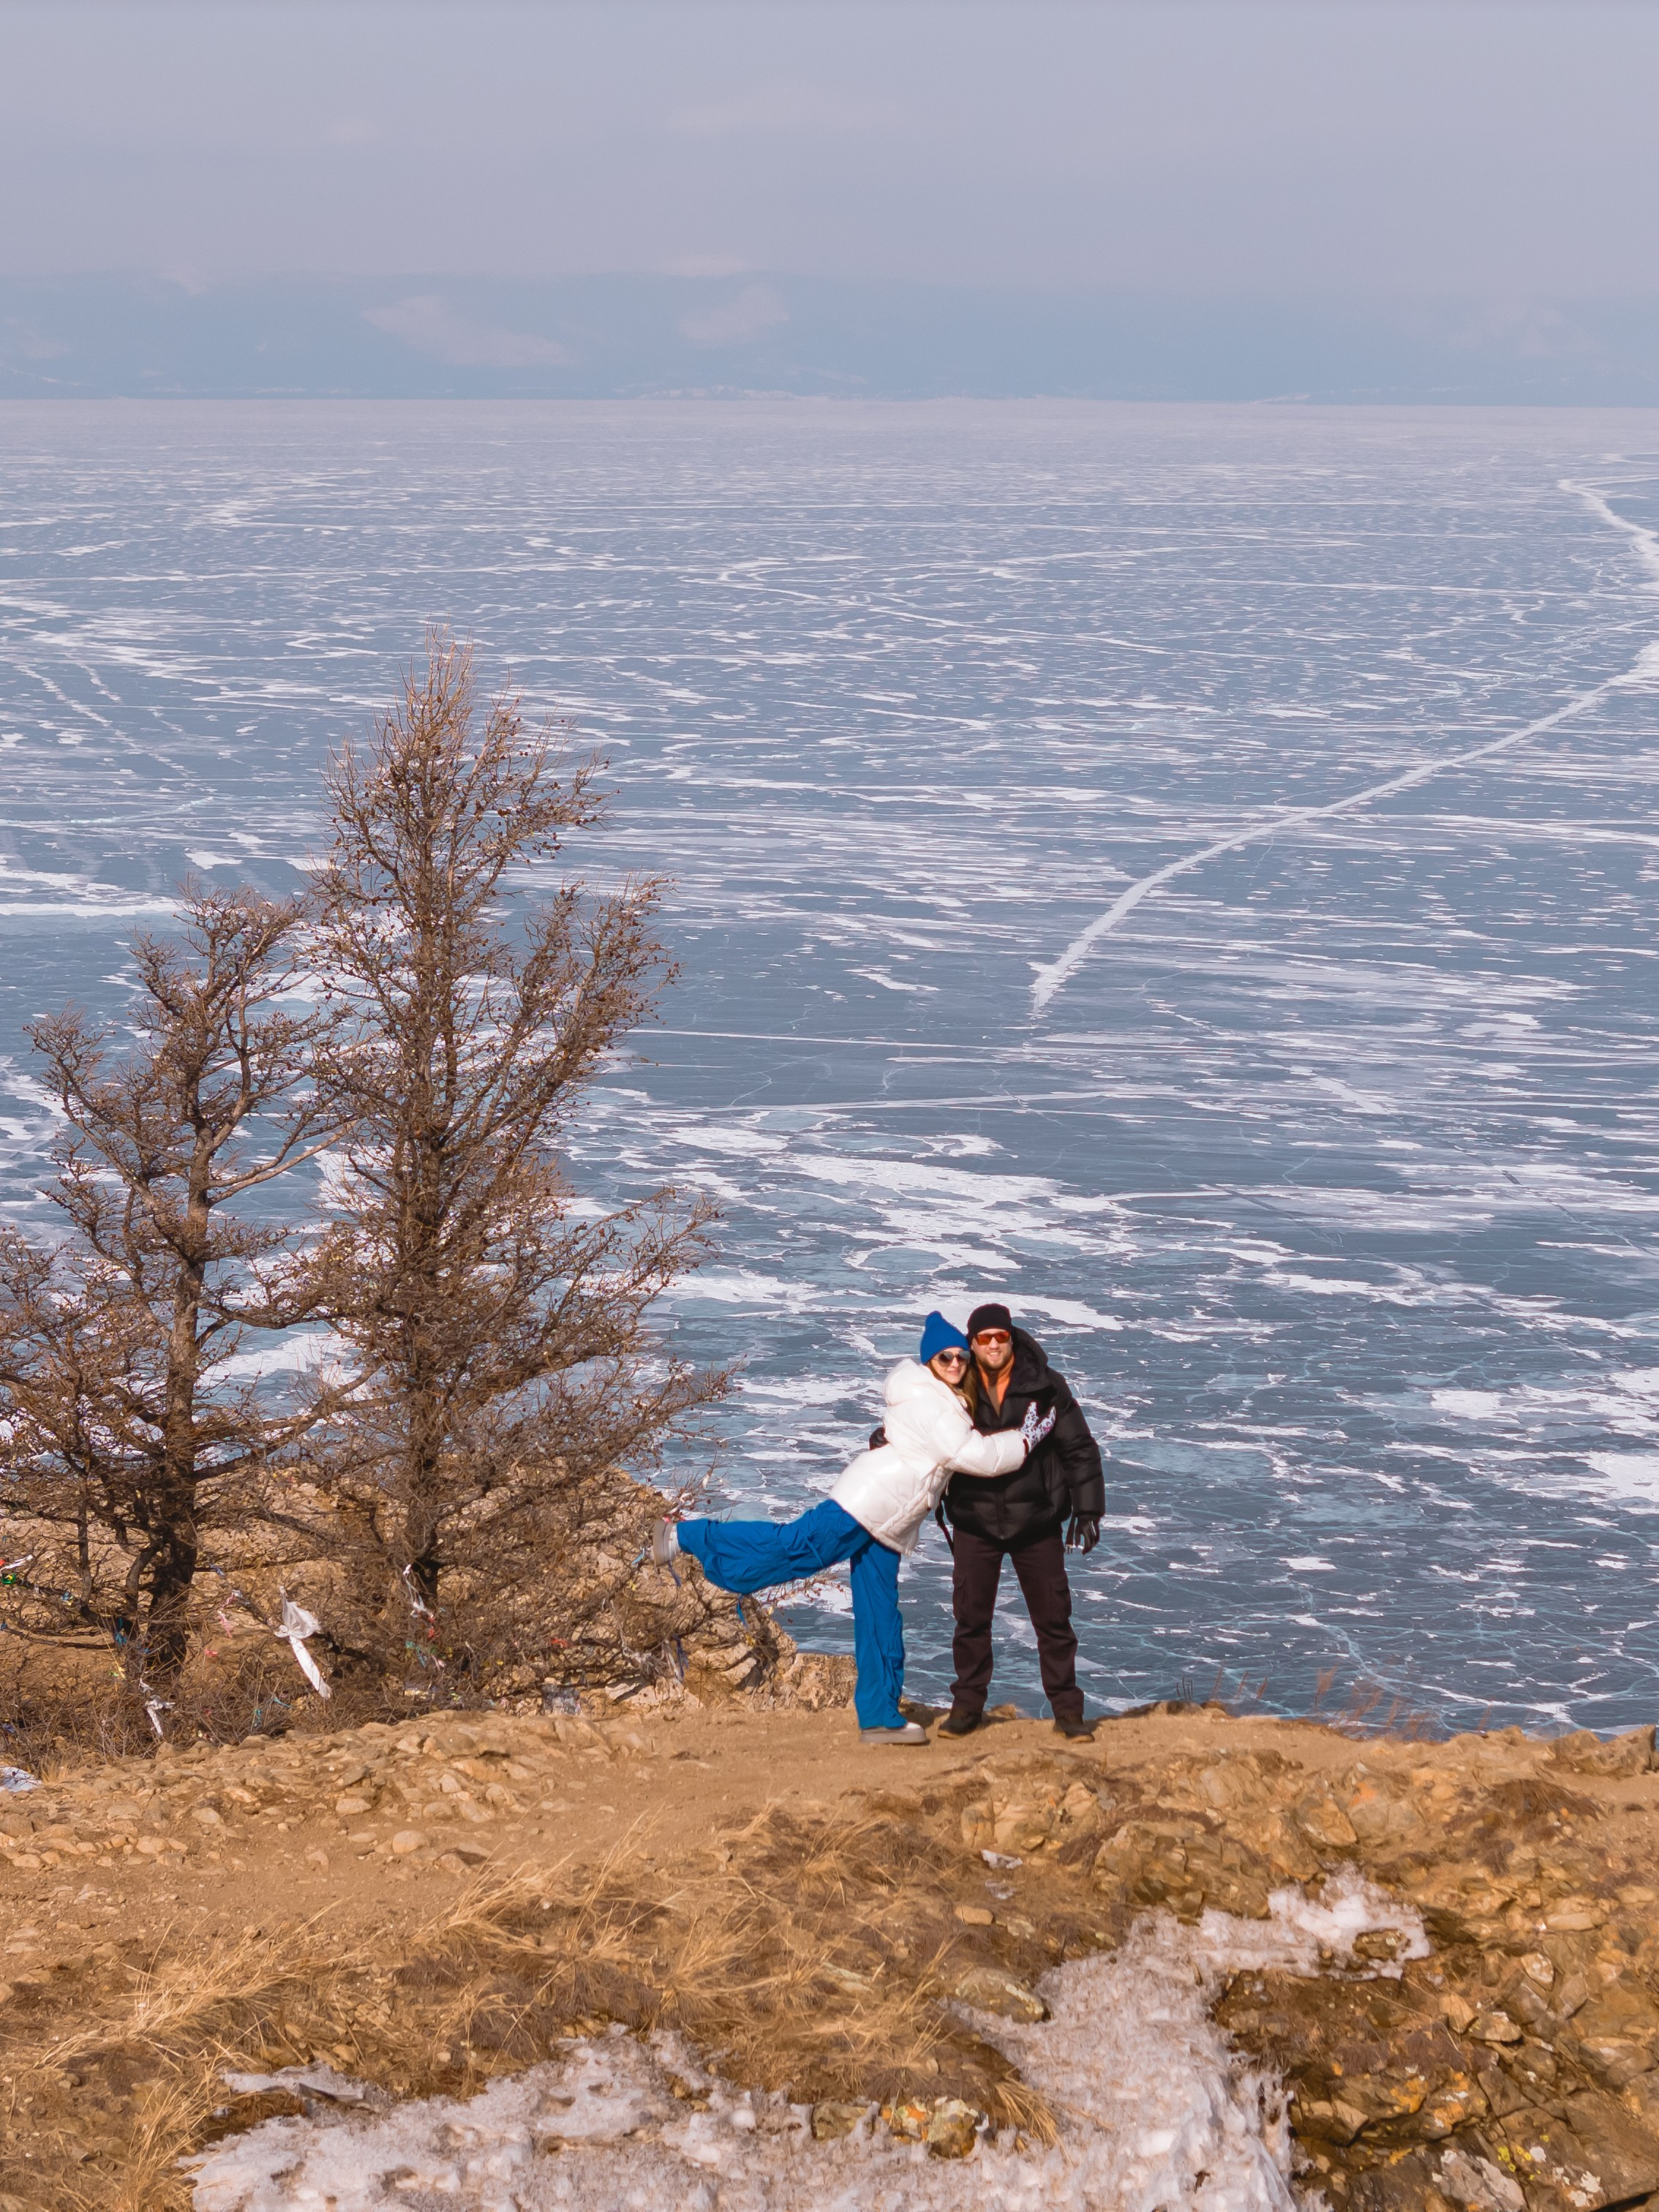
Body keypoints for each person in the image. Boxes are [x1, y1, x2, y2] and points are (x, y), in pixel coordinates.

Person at [652, 1312, 1053, 1744]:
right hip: (866, 1504)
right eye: (945, 1357)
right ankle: (683, 1536)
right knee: (794, 1546)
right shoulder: (929, 1400)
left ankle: (880, 1717)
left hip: (890, 1519)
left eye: (961, 1357)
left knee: (879, 1611)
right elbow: (973, 1455)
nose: (955, 1364)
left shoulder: (943, 1396)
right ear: (929, 1361)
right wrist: (1024, 1440)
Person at [936, 1301, 1105, 1741]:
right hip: (975, 1521)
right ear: (973, 1343)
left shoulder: (1044, 1384)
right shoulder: (956, 1385)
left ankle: (1068, 1713)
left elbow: (1078, 1447)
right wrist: (887, 1437)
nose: (993, 1345)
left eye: (1001, 1336)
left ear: (1011, 1339)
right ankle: (967, 1708)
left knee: (1054, 1621)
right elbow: (923, 1429)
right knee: (970, 1621)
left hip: (1036, 1522)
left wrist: (1088, 1509)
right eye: (984, 1338)